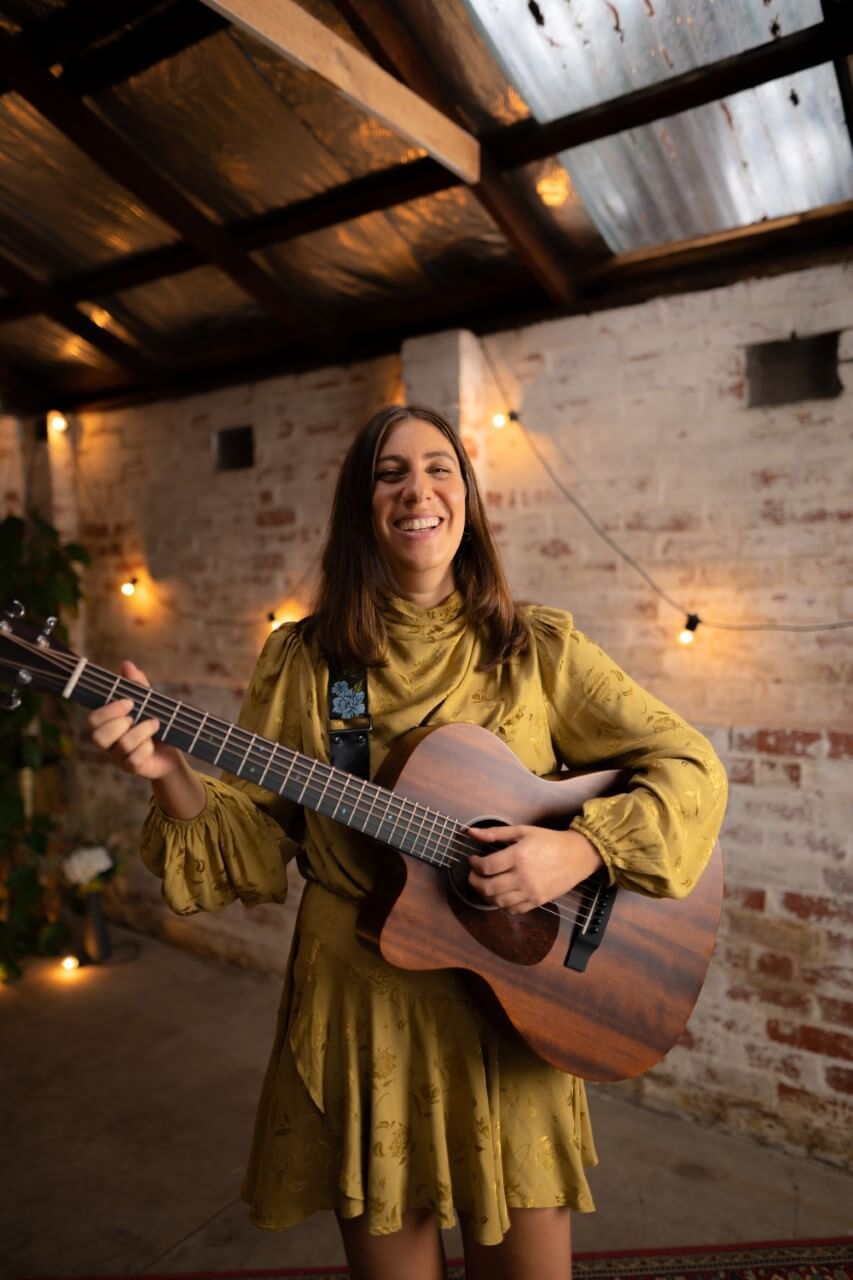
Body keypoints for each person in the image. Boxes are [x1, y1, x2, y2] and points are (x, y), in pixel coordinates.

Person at [89, 404, 727, 1280]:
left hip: (516, 1005)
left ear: (464, 496)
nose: (417, 490)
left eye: (439, 468)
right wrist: (168, 770)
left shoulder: (537, 646)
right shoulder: (305, 660)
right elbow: (250, 835)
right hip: (363, 1007)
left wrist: (578, 851)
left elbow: (690, 766)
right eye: (390, 473)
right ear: (363, 504)